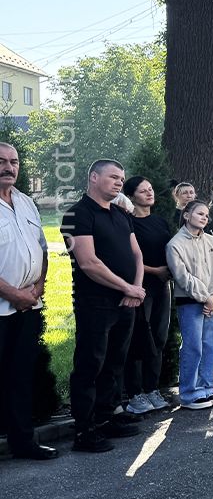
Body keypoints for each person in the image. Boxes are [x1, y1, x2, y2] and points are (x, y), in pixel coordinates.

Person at [62, 159, 146, 452]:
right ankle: (84, 430)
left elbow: (137, 254)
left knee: (114, 363)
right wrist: (127, 287)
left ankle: (106, 417)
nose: (120, 182)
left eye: (122, 178)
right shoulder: (76, 214)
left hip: (126, 301)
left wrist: (136, 289)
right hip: (95, 303)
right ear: (94, 177)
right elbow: (88, 263)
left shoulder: (121, 214)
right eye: (113, 177)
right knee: (90, 364)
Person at [0, 142, 57, 459]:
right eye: (1, 161)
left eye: (14, 161)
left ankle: (23, 442)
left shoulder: (25, 202)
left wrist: (37, 288)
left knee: (21, 376)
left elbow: (42, 250)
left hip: (28, 306)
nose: (9, 167)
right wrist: (13, 293)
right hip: (2, 306)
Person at [121, 176, 174, 414]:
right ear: (131, 196)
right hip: (139, 286)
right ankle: (135, 393)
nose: (149, 193)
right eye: (143, 191)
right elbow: (128, 257)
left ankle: (152, 388)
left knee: (159, 339)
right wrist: (154, 271)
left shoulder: (160, 221)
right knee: (138, 338)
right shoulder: (128, 222)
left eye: (151, 189)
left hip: (162, 286)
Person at [166, 201, 213, 410]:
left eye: (206, 215)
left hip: (212, 301)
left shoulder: (211, 240)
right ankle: (189, 393)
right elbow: (182, 276)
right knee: (193, 346)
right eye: (199, 214)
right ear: (186, 215)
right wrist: (205, 297)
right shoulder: (175, 244)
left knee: (210, 344)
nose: (204, 218)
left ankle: (207, 388)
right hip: (191, 302)